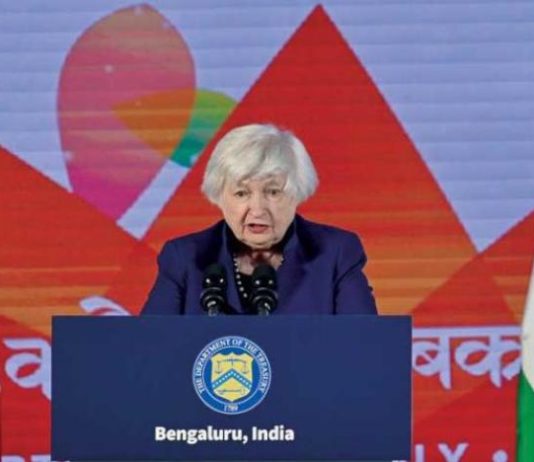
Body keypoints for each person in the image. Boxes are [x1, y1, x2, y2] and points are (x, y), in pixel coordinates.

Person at [141, 124, 377, 315]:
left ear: (297, 193)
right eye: (241, 193)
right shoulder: (184, 258)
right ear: (219, 196)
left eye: (273, 192)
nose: (257, 209)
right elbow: (150, 348)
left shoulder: (336, 254)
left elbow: (363, 344)